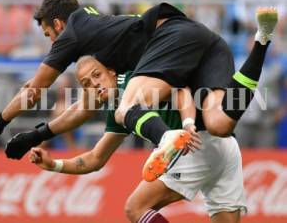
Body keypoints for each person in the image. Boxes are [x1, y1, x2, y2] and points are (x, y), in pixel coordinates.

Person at [0, 0, 277, 179]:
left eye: (50, 34)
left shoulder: (73, 35)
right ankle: (262, 41)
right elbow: (86, 107)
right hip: (205, 42)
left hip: (170, 34)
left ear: (59, 25)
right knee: (220, 122)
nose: (53, 43)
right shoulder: (97, 34)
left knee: (126, 108)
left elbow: (33, 89)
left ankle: (166, 140)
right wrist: (37, 134)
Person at [28, 56, 246, 223]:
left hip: (193, 144)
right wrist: (53, 164)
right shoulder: (118, 107)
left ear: (112, 72)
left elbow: (180, 89)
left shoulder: (134, 79)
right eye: (86, 83)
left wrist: (188, 124)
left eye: (97, 75)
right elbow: (95, 159)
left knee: (135, 208)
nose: (94, 84)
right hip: (225, 145)